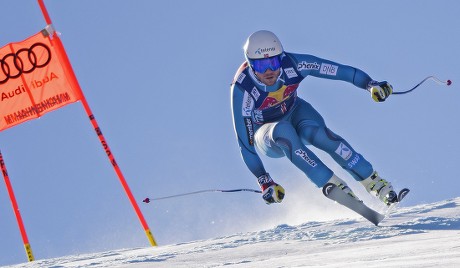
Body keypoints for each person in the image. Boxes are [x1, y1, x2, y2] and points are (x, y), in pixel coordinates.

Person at [230, 30, 398, 208]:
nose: (270, 71)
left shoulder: (295, 64)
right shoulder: (243, 89)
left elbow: (341, 71)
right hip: (266, 134)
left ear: (282, 57)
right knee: (283, 131)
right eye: (261, 66)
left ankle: (376, 184)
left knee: (318, 134)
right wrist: (264, 181)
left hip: (295, 112)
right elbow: (245, 145)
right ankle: (334, 186)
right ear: (250, 65)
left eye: (273, 62)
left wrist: (370, 84)